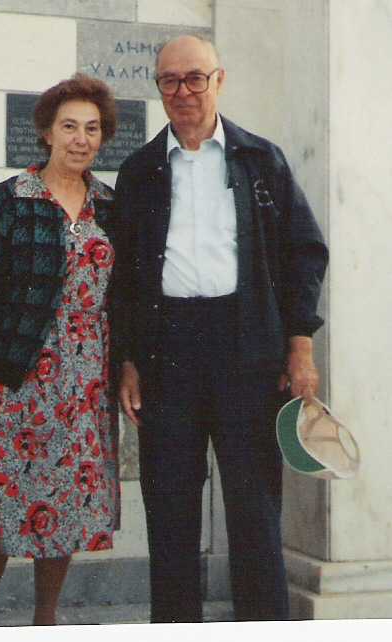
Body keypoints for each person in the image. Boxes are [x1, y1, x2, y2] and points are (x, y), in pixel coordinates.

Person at [111, 35, 328, 622]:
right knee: (170, 511)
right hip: (166, 355)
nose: (182, 91)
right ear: (158, 87)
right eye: (169, 80)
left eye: (195, 78)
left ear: (219, 80)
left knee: (255, 510)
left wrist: (300, 346)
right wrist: (127, 359)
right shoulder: (139, 171)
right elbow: (123, 278)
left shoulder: (261, 160)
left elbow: (304, 253)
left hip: (247, 349)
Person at [0, 73, 121, 626]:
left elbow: (124, 299)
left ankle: (45, 621)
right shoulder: (11, 200)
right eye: (69, 126)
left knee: (66, 505)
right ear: (47, 133)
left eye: (91, 128)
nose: (80, 139)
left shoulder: (109, 206)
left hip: (85, 383)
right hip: (16, 381)